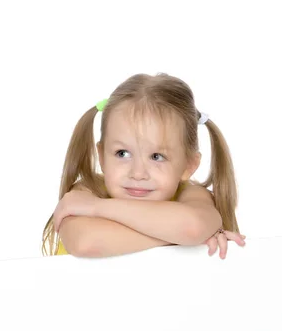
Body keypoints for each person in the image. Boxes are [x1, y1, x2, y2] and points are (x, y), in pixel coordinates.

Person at [42, 73, 246, 259]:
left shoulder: (191, 196)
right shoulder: (86, 191)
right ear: (102, 156)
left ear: (188, 165)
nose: (138, 173)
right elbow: (86, 243)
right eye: (122, 153)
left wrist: (97, 209)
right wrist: (183, 239)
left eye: (157, 156)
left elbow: (192, 228)